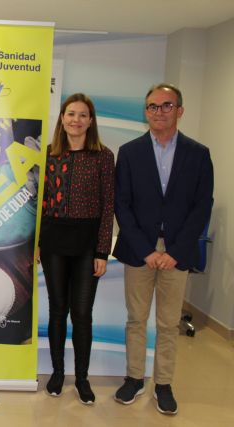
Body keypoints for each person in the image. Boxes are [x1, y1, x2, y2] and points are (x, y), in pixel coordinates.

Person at [113, 84, 213, 415]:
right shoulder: (129, 152)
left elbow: (202, 206)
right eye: (152, 106)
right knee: (136, 319)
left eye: (166, 105)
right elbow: (122, 204)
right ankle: (134, 378)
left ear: (179, 110)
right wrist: (146, 250)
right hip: (139, 250)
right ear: (146, 112)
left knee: (169, 323)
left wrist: (176, 251)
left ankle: (164, 384)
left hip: (176, 252)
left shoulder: (198, 154)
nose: (159, 112)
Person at [40, 93, 115, 404]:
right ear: (62, 118)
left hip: (87, 244)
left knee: (82, 314)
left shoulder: (103, 156)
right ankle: (58, 373)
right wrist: (37, 244)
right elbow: (39, 201)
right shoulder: (48, 154)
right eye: (71, 113)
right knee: (58, 310)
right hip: (53, 242)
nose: (76, 120)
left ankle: (82, 378)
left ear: (91, 121)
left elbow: (108, 206)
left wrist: (102, 252)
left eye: (83, 115)